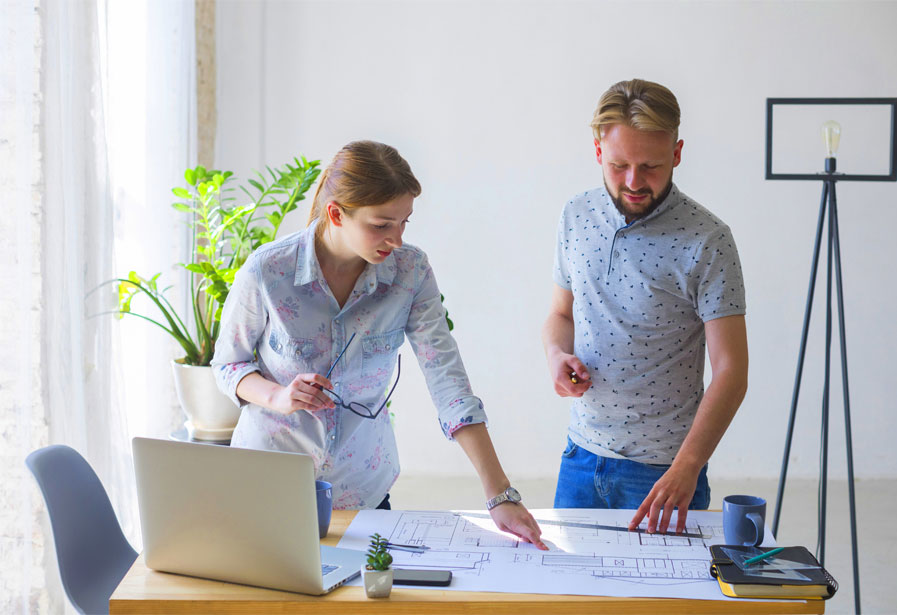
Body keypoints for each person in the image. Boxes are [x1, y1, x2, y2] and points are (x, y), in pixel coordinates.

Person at [212, 140, 545, 549]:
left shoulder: (410, 272)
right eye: (382, 225)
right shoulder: (268, 270)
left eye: (404, 222)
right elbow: (228, 365)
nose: (397, 239)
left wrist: (499, 494)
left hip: (363, 491)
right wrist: (278, 396)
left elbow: (448, 381)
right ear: (336, 213)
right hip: (270, 481)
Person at [543, 79, 749, 535]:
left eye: (651, 166)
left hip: (664, 472)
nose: (634, 182)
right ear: (598, 151)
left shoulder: (709, 239)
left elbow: (732, 371)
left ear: (677, 153)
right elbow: (560, 314)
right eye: (619, 165)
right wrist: (556, 354)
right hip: (579, 458)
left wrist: (687, 466)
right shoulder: (575, 216)